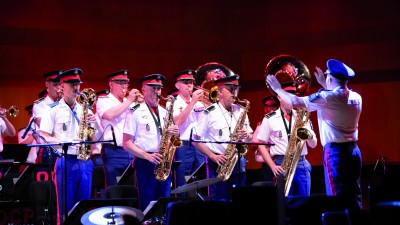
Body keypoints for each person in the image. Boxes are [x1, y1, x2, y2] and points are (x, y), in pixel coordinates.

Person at [266, 58, 362, 208]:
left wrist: (278, 89)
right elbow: (335, 99)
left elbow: (295, 102)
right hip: (354, 151)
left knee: (335, 197)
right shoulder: (356, 97)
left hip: (336, 153)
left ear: (330, 78)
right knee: (353, 195)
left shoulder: (326, 97)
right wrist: (325, 85)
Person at [40, 68, 100, 224]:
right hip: (66, 160)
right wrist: (65, 143)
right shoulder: (52, 109)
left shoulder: (84, 109)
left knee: (84, 208)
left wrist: (93, 124)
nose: (76, 87)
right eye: (72, 83)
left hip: (85, 162)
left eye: (78, 83)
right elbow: (43, 138)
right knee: (65, 210)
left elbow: (95, 138)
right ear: (61, 86)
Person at [122, 74, 180, 211]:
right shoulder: (134, 111)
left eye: (159, 88)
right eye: (153, 88)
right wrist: (146, 156)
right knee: (147, 206)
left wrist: (175, 135)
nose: (157, 92)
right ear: (144, 90)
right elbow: (126, 143)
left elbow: (174, 142)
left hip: (164, 161)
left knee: (164, 204)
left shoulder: (165, 112)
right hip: (145, 162)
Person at [192, 74, 253, 201]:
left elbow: (250, 138)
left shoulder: (241, 111)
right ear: (220, 91)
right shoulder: (209, 112)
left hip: (238, 161)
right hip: (218, 162)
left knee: (239, 199)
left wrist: (247, 136)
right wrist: (213, 156)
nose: (234, 92)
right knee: (218, 200)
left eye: (236, 88)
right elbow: (195, 140)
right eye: (230, 89)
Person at [255, 85, 317, 196]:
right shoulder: (270, 118)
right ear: (279, 97)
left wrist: (310, 135)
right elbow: (260, 144)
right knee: (283, 203)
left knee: (304, 202)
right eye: (288, 95)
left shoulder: (302, 116)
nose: (292, 99)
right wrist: (272, 166)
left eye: (293, 95)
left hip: (301, 162)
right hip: (281, 163)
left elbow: (313, 145)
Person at [95, 70, 142, 188]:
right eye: (120, 82)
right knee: (113, 189)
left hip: (131, 150)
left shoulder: (130, 102)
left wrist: (142, 103)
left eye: (126, 83)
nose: (124, 86)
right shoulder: (104, 100)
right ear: (111, 84)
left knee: (132, 188)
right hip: (113, 151)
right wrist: (130, 101)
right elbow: (109, 115)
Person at [169, 69, 206, 196]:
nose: (189, 85)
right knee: (183, 180)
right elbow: (178, 121)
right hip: (183, 145)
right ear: (177, 85)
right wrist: (192, 103)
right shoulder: (172, 102)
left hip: (199, 144)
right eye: (185, 82)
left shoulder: (201, 102)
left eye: (191, 82)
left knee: (200, 180)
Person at [32, 70, 63, 165]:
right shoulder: (40, 105)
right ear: (47, 84)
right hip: (47, 150)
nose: (58, 88)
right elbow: (44, 126)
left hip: (65, 149)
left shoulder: (66, 105)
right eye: (55, 84)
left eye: (61, 85)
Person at [252, 96, 280, 182]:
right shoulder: (261, 125)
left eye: (273, 105)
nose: (270, 108)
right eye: (267, 105)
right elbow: (253, 145)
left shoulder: (282, 123)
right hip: (266, 164)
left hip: (279, 161)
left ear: (278, 107)